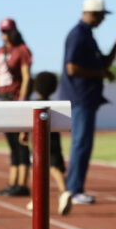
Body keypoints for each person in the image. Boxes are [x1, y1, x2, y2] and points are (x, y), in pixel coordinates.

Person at [58, 0, 116, 205]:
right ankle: (73, 189)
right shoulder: (78, 34)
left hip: (87, 98)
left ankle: (75, 187)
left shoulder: (87, 35)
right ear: (94, 14)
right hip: (80, 98)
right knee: (81, 144)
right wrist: (100, 73)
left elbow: (102, 64)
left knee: (84, 144)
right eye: (102, 16)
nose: (103, 20)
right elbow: (72, 68)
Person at [0, 18, 32, 198]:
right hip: (2, 101)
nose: (4, 34)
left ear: (14, 31)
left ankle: (22, 184)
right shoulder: (0, 51)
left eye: (7, 31)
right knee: (12, 145)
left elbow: (26, 77)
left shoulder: (22, 50)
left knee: (21, 144)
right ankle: (12, 182)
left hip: (16, 100)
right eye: (2, 31)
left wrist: (22, 101)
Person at [22, 71, 73, 216]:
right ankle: (63, 192)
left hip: (38, 140)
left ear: (35, 87)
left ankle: (35, 198)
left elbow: (26, 122)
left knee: (35, 168)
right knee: (55, 167)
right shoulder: (55, 105)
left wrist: (24, 134)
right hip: (54, 139)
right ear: (54, 88)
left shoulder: (32, 104)